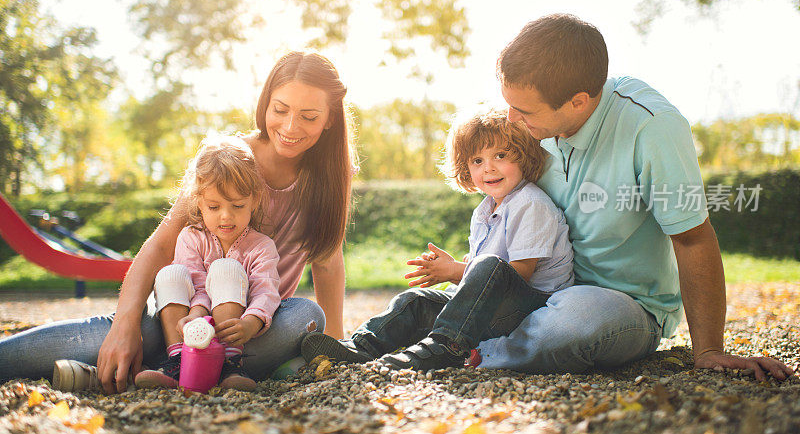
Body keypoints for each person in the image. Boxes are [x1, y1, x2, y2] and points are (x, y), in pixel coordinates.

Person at [0, 51, 358, 393]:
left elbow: (327, 261)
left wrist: (337, 347)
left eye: (309, 117)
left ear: (329, 119)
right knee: (134, 334)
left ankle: (158, 370)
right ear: (266, 104)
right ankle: (173, 361)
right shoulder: (232, 159)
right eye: (280, 110)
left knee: (306, 317)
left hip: (249, 328)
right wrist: (126, 323)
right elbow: (161, 244)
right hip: (182, 317)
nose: (290, 127)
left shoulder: (328, 179)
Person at [473, 13, 793, 381]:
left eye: (524, 110)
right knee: (435, 302)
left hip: (619, 304)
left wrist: (708, 350)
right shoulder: (533, 120)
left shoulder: (652, 127)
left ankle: (472, 350)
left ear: (578, 102)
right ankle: (456, 333)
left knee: (571, 325)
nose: (510, 119)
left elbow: (692, 237)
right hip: (542, 286)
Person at [301, 110, 574, 370]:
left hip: (529, 307)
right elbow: (482, 275)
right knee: (414, 301)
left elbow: (518, 273)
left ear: (523, 156)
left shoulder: (530, 203)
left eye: (500, 155)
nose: (488, 168)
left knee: (489, 265)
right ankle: (358, 348)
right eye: (477, 161)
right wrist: (457, 268)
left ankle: (445, 347)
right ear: (466, 168)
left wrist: (457, 270)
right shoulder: (484, 210)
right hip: (490, 309)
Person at [130, 135, 280, 392]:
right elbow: (195, 282)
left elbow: (266, 290)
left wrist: (250, 322)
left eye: (238, 205)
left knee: (226, 268)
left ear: (254, 201)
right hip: (190, 324)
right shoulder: (191, 237)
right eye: (213, 206)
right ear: (199, 203)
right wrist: (197, 314)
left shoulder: (261, 246)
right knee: (170, 274)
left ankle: (231, 364)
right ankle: (178, 360)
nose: (226, 216)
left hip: (233, 332)